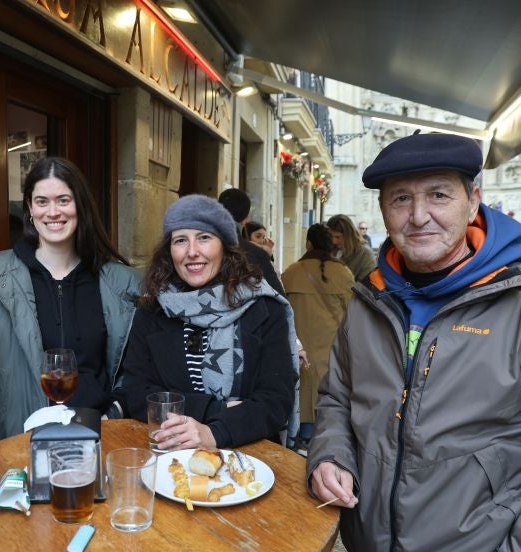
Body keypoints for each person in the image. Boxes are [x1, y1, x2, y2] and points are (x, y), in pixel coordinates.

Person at [307, 132, 521, 552]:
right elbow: (337, 399)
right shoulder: (369, 300)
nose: (419, 215)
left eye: (439, 195)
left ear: (473, 201)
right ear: (384, 210)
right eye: (401, 198)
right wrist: (331, 455)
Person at [0, 157, 141, 440]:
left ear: (80, 204)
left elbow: (136, 367)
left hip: (101, 435)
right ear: (30, 208)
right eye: (42, 201)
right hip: (21, 441)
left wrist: (115, 412)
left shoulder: (121, 285)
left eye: (63, 200)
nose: (53, 212)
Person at [122, 194, 298, 449]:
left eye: (204, 238)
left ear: (226, 246)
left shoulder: (264, 309)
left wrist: (213, 434)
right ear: (169, 250)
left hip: (248, 463)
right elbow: (137, 393)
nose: (192, 252)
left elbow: (276, 401)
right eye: (181, 240)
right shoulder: (153, 311)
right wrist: (214, 409)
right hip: (171, 456)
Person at [281, 223, 354, 456]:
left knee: (302, 393)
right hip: (330, 349)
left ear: (308, 244)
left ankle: (298, 437)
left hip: (298, 348)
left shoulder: (291, 273)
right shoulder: (343, 274)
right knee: (328, 394)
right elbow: (353, 314)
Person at [218, 188, 285, 295]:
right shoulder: (257, 255)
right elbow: (280, 300)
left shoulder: (199, 249)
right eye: (258, 236)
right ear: (246, 219)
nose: (263, 240)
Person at [327, 214, 377, 280]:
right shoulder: (331, 249)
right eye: (330, 236)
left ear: (348, 235)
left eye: (337, 237)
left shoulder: (365, 254)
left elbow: (366, 287)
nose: (334, 241)